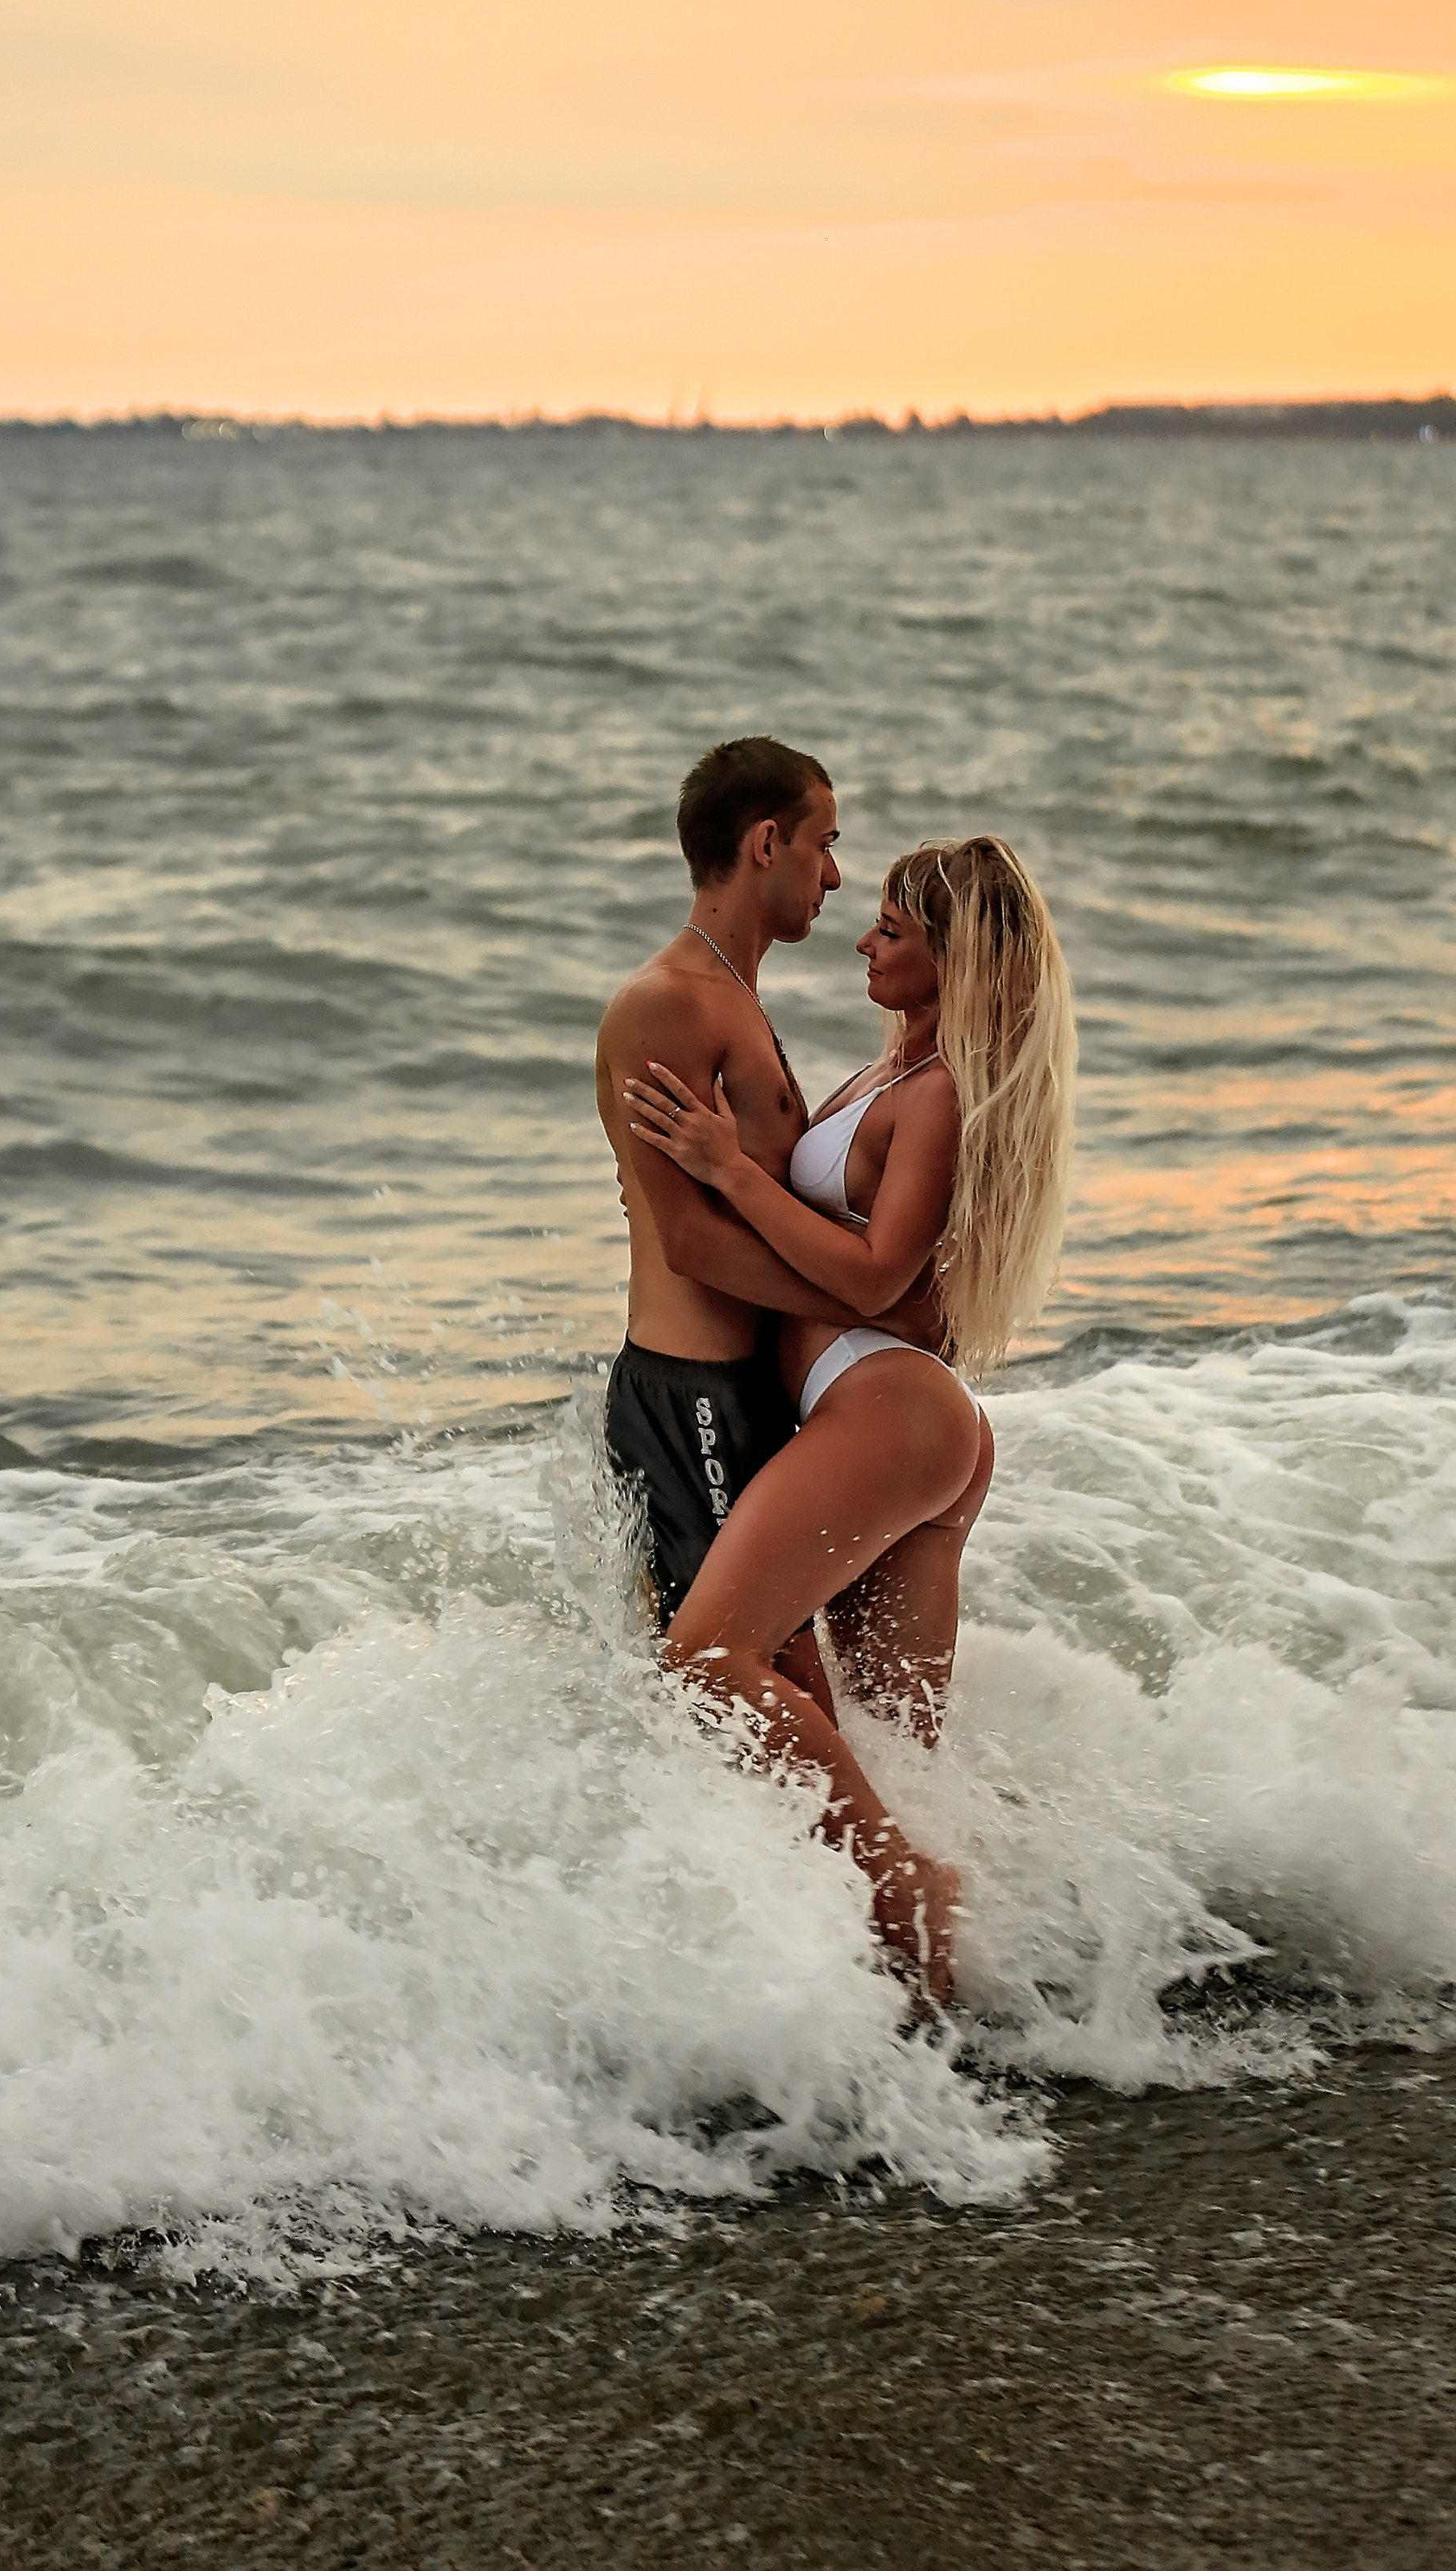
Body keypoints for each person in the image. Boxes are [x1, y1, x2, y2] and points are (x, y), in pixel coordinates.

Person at [619, 829, 1075, 2004]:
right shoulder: (894, 1072)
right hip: (904, 1419)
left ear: (953, 957)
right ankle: (947, 2022)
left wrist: (728, 1171)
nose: (865, 939)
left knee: (707, 1658)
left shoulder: (933, 1093)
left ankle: (905, 1888)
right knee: (888, 1758)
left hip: (888, 1409)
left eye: (895, 929)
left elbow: (878, 1278)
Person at [594, 739, 865, 1729]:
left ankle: (859, 1881)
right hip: (689, 1400)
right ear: (765, 844)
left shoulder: (732, 998)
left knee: (792, 1694)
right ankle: (893, 1884)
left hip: (748, 1394)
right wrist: (863, 1299)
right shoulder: (665, 1005)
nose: (834, 875)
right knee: (729, 1690)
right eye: (823, 845)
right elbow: (690, 1245)